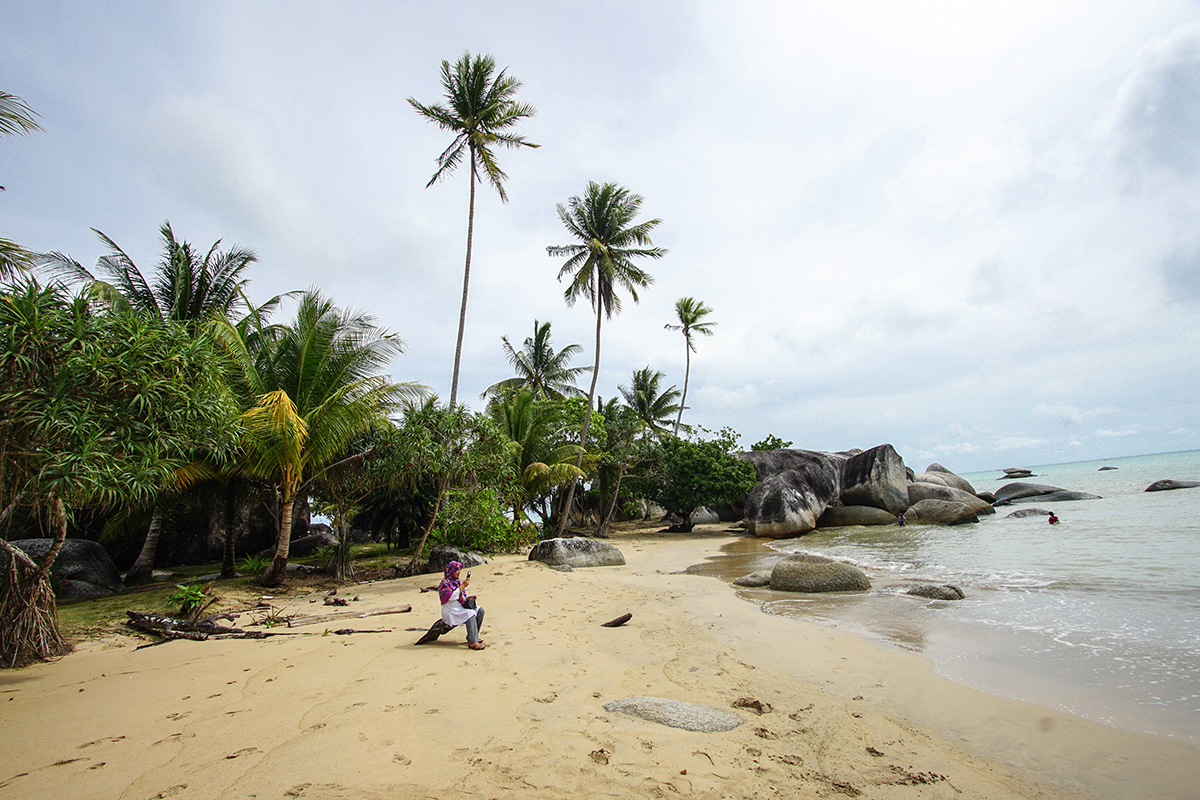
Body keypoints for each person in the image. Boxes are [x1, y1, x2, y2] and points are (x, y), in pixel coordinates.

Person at [438, 561, 485, 650]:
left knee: (480, 611)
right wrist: (462, 586)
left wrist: (468, 598)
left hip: (459, 608)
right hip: (451, 611)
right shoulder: (444, 583)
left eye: (460, 570)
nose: (459, 572)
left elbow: (461, 596)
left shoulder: (456, 582)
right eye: (457, 570)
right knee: (470, 614)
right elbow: (449, 597)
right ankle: (472, 642)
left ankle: (473, 636)